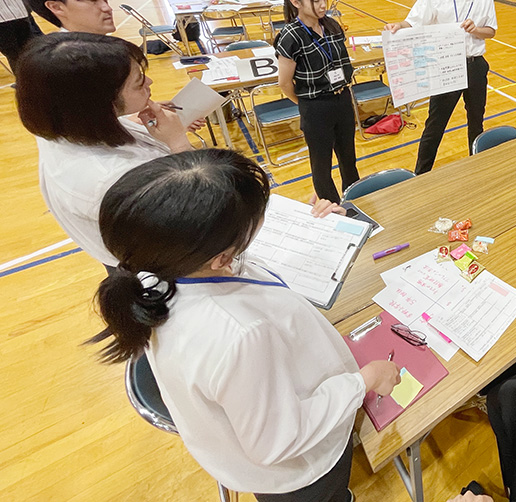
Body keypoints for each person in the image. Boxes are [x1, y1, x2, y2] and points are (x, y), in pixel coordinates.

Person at [89, 149, 401, 501]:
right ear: (221, 256)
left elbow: (248, 269)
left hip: (276, 401)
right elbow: (281, 439)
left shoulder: (162, 265)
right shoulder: (239, 335)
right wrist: (365, 381)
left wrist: (322, 228)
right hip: (299, 472)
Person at [15, 33, 189, 272]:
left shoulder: (65, 124)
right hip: (160, 263)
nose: (149, 83)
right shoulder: (110, 176)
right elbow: (191, 212)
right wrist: (178, 143)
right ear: (99, 104)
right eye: (139, 83)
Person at [385, 0, 498, 173]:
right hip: (446, 65)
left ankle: (475, 166)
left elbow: (491, 31)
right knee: (435, 124)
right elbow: (413, 21)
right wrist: (398, 26)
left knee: (476, 120)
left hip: (475, 65)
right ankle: (421, 173)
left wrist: (476, 29)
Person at [275, 0, 360, 203]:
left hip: (342, 99)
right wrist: (307, 104)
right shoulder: (290, 36)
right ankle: (331, 209)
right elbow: (284, 83)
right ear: (295, 2)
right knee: (322, 167)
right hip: (315, 107)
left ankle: (355, 201)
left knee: (348, 160)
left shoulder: (331, 25)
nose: (323, 4)